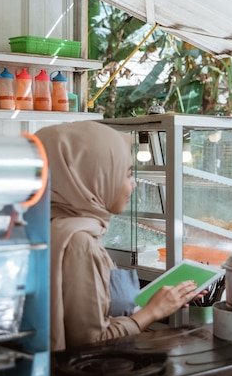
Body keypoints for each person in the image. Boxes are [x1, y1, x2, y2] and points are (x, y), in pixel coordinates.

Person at [36, 121, 202, 351]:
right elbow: (90, 342)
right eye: (127, 174)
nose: (133, 184)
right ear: (94, 176)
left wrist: (166, 299)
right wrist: (153, 311)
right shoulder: (79, 242)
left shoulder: (46, 223)